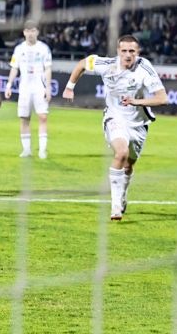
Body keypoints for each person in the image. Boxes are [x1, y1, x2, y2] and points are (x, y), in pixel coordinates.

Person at [63, 34, 168, 221]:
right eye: (124, 51)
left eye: (132, 51)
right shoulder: (107, 65)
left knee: (129, 165)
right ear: (118, 51)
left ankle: (123, 194)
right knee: (121, 153)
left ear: (138, 52)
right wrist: (70, 87)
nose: (128, 55)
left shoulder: (144, 68)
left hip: (138, 123)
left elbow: (162, 98)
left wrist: (136, 101)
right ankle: (116, 206)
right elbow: (82, 64)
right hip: (114, 117)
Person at [5, 20, 52, 159]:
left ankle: (42, 150)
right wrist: (9, 84)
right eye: (28, 31)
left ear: (37, 32)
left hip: (39, 87)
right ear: (24, 32)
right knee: (24, 118)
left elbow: (48, 69)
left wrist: (48, 87)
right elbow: (14, 68)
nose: (30, 33)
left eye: (33, 31)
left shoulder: (43, 48)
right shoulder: (19, 49)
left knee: (43, 117)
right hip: (24, 88)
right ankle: (26, 150)